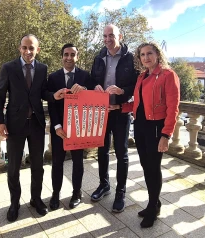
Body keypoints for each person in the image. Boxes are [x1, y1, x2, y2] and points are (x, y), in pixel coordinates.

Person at [0, 34, 65, 222]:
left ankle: (36, 199)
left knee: (38, 166)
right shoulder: (8, 68)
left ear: (37, 50)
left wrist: (54, 95)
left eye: (31, 48)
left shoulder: (42, 68)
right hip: (14, 125)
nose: (28, 51)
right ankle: (15, 203)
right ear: (20, 49)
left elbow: (42, 93)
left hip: (36, 124)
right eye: (24, 47)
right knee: (13, 168)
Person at [123, 42, 180, 228]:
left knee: (153, 169)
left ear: (157, 54)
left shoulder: (168, 75)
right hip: (140, 126)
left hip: (156, 128)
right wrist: (119, 107)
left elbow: (173, 109)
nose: (146, 57)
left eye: (149, 53)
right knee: (146, 167)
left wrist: (166, 135)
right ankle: (154, 203)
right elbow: (138, 104)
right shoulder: (142, 77)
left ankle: (153, 207)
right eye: (142, 55)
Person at [90, 24, 138, 213]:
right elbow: (93, 79)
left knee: (121, 153)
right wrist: (95, 87)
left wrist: (122, 91)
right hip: (101, 112)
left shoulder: (131, 58)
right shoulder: (99, 56)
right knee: (102, 151)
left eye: (111, 35)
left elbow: (137, 85)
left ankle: (120, 192)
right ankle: (104, 185)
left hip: (120, 112)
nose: (108, 39)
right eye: (105, 36)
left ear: (120, 36)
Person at [47, 43, 92, 210]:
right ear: (62, 56)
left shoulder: (85, 76)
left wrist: (85, 89)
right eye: (66, 54)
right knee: (57, 163)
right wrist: (57, 126)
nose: (69, 57)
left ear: (77, 57)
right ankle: (55, 194)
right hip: (59, 129)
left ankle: (77, 193)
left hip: (78, 128)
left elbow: (94, 95)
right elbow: (51, 104)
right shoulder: (53, 78)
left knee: (78, 162)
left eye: (72, 54)